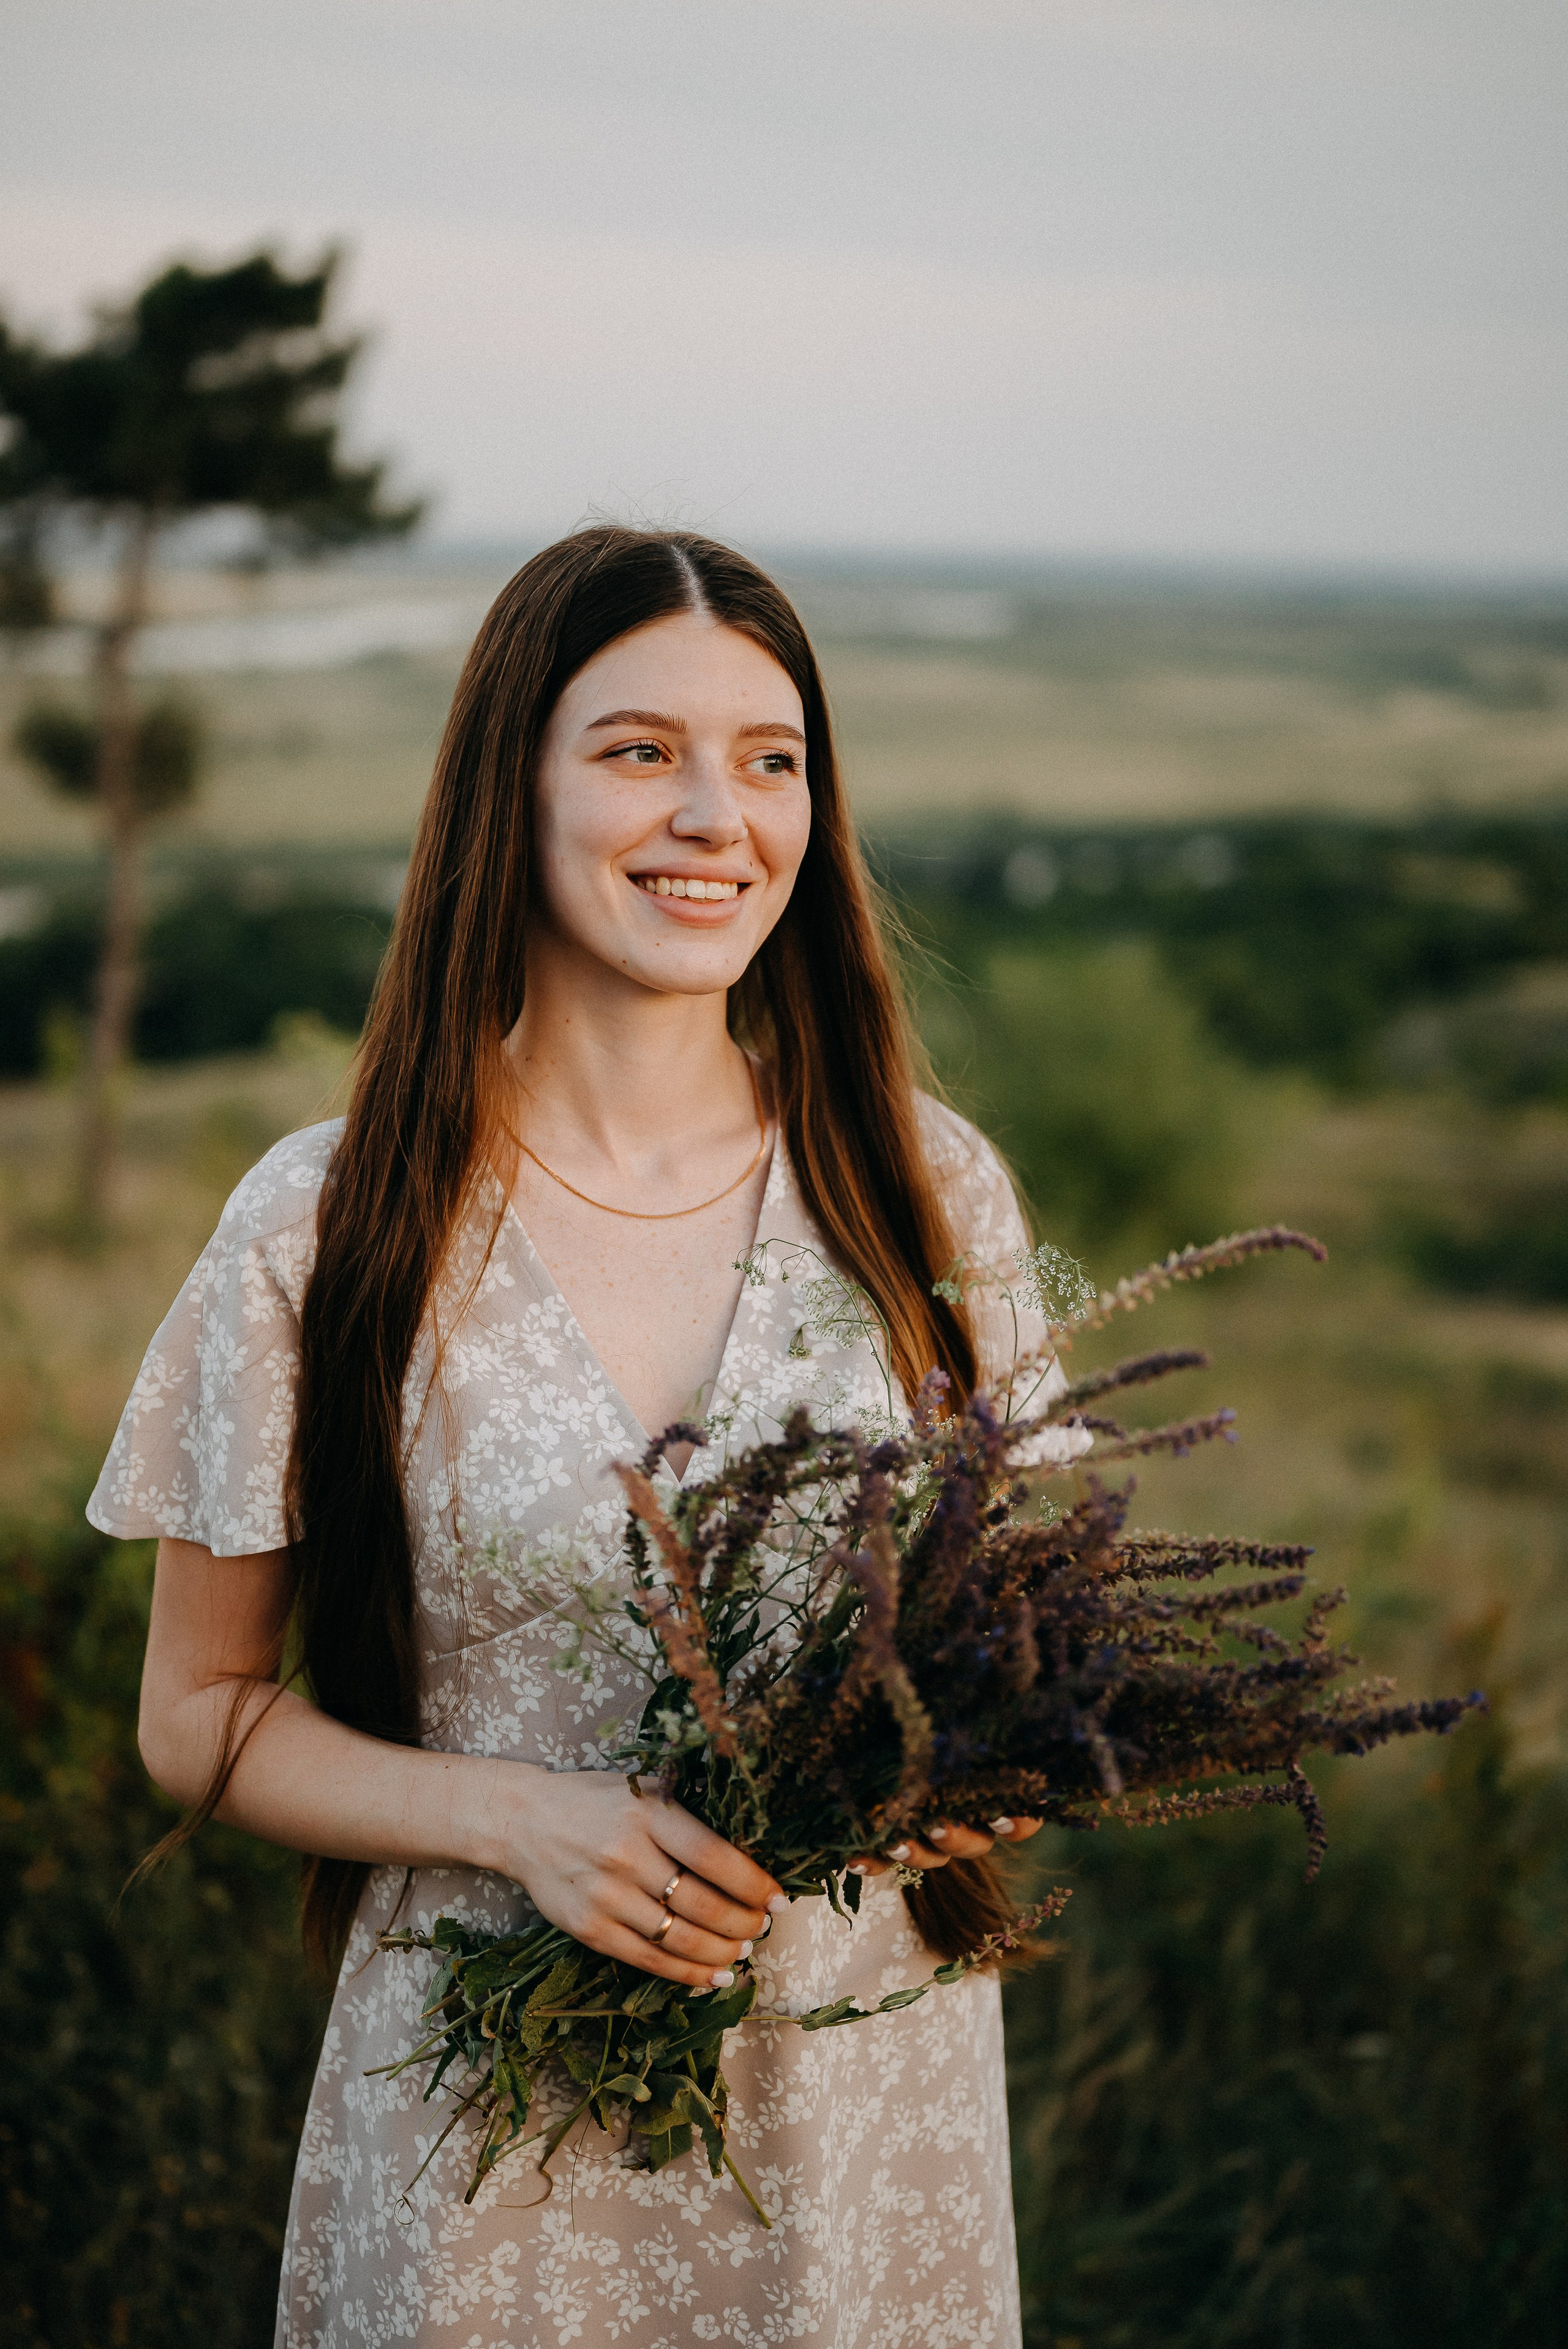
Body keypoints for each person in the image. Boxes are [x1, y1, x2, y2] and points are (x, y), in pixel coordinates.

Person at [89, 527, 1080, 2349]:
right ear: (512, 787)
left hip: (860, 2127)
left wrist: (979, 1766)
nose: (718, 816)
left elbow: (1015, 1659)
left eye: (770, 761)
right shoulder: (328, 1222)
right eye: (640, 750)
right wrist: (518, 1822)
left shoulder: (927, 1192)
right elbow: (196, 1711)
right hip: (487, 2159)